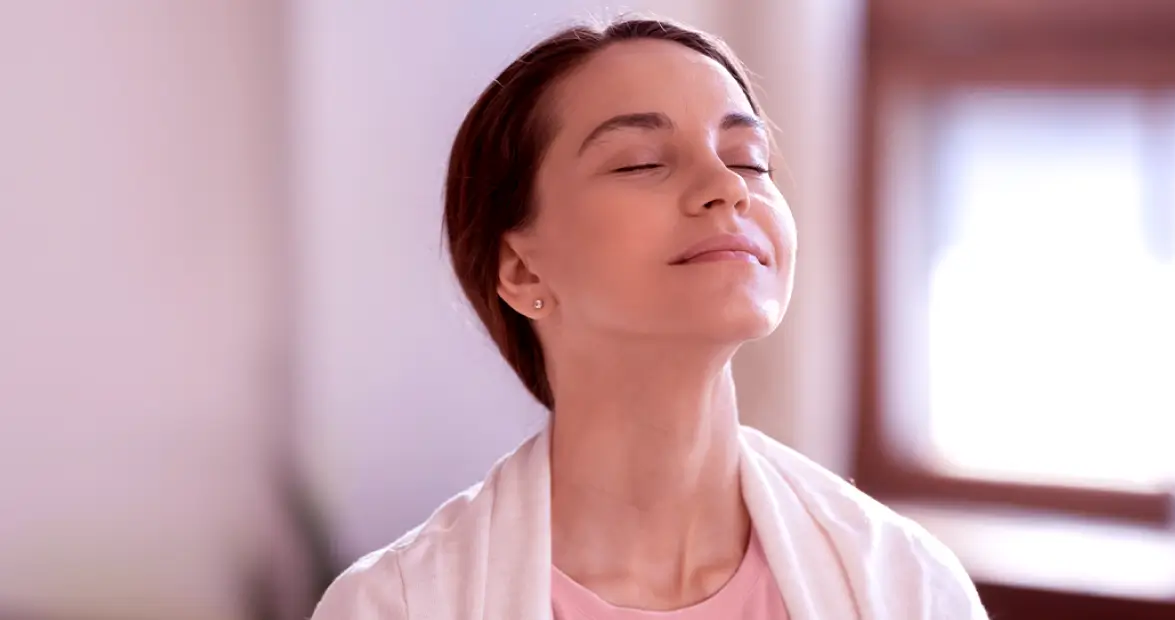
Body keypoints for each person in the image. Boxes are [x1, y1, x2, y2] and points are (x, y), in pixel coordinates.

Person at [311, 15, 988, 620]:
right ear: (521, 269)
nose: (727, 188)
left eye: (748, 160)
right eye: (642, 163)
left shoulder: (907, 585)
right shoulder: (392, 607)